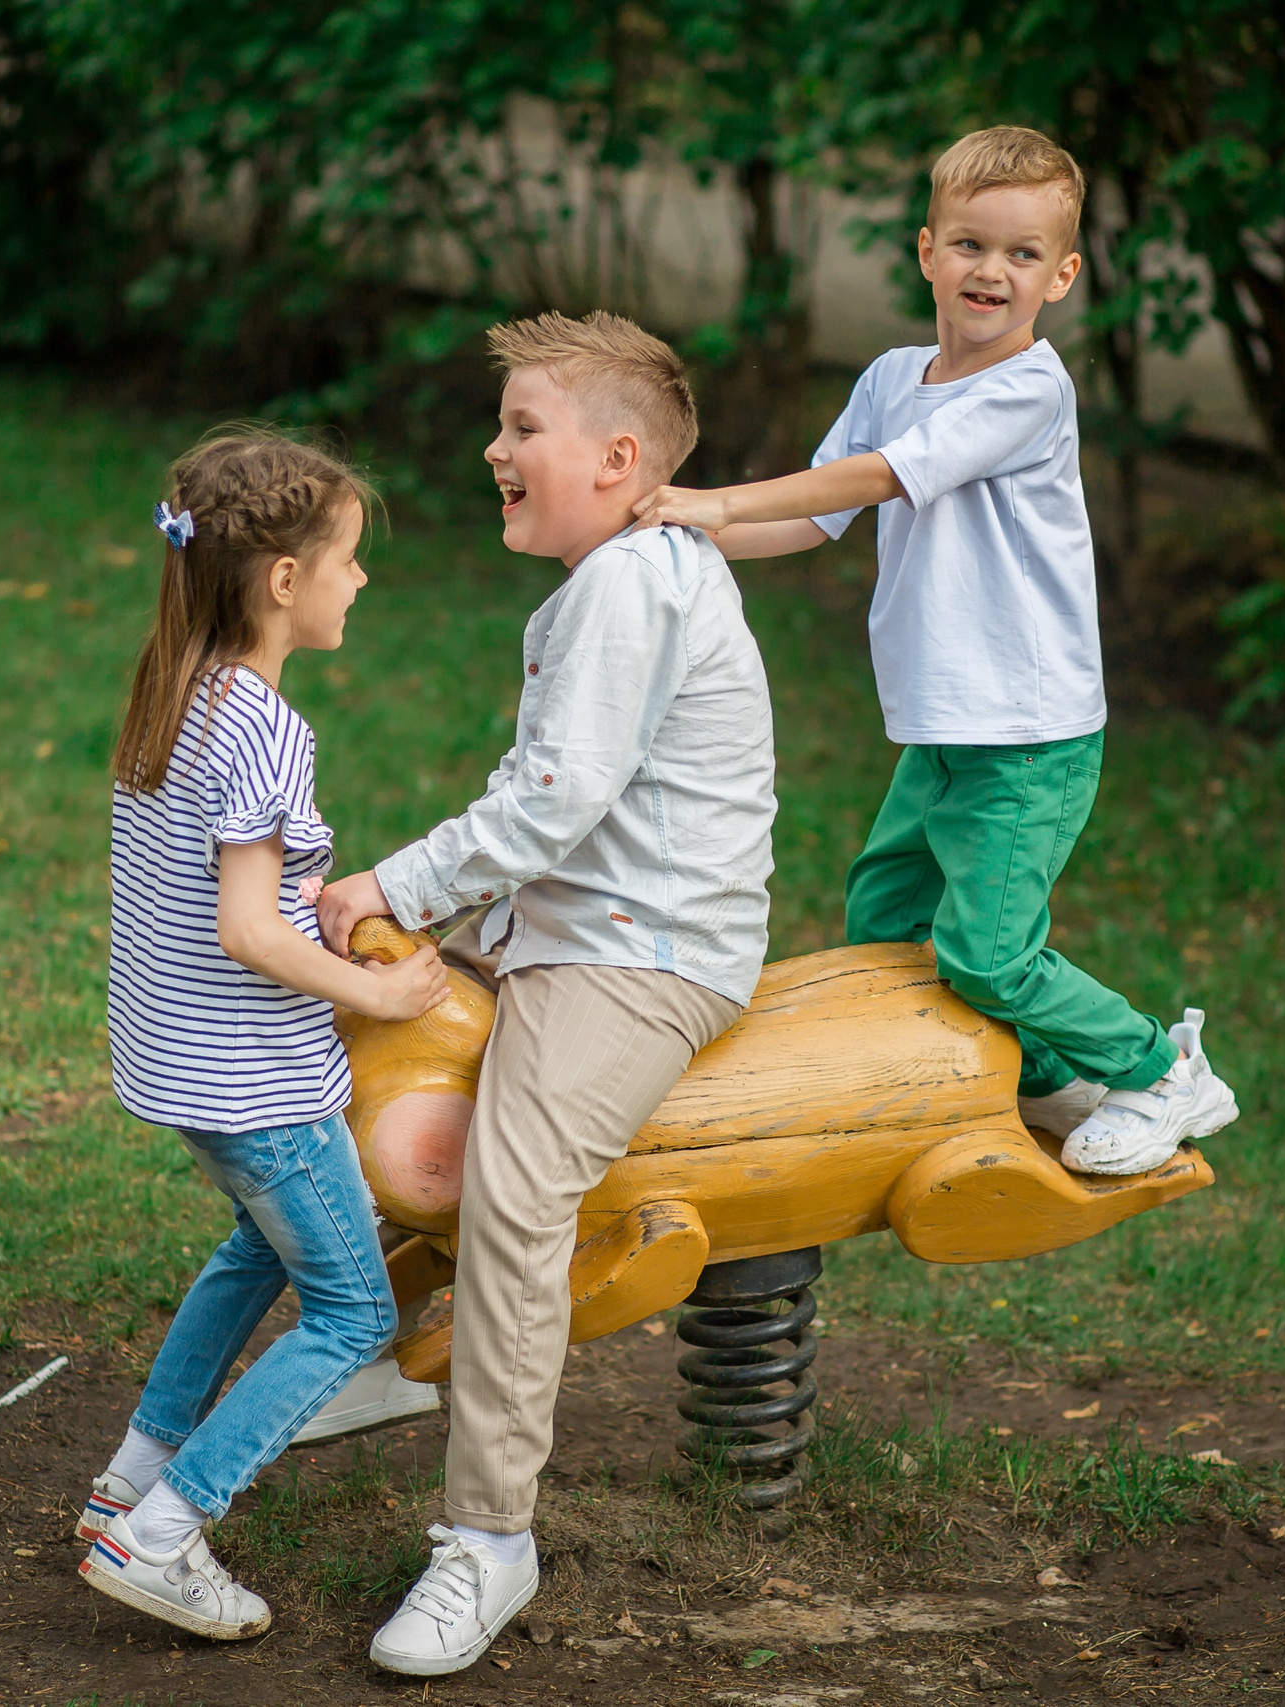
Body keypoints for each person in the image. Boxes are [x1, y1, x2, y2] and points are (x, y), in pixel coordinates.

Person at [629, 126, 1238, 1177]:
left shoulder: (1029, 390)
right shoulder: (890, 377)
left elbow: (880, 478)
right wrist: (678, 533)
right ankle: (1040, 1078)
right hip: (943, 724)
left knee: (988, 953)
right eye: (969, 244)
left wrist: (717, 498)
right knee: (884, 920)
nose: (991, 270)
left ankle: (1158, 1070)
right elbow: (814, 516)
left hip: (1028, 734)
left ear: (1062, 275)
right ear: (926, 252)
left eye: (1021, 253)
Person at [314, 311, 777, 1677]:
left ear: (617, 459)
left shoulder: (632, 584)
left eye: (523, 427)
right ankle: (383, 1351)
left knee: (517, 1188)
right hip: (571, 929)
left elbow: (554, 800)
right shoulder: (622, 574)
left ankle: (490, 1538)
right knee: (370, 1078)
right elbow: (563, 803)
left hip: (642, 958)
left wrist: (395, 886)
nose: (493, 448)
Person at [75, 429, 451, 1640]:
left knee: (258, 1249)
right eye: (348, 559)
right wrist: (376, 996)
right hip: (261, 1083)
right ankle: (161, 1533)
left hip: (183, 1068)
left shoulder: (175, 691)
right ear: (285, 580)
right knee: (353, 1315)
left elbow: (222, 897)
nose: (361, 579)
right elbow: (245, 928)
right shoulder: (265, 729)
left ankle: (130, 1477)